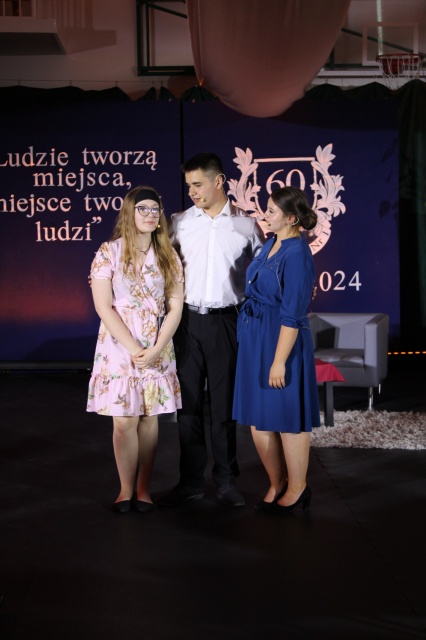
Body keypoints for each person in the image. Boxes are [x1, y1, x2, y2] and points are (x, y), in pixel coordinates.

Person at [158, 153, 264, 508]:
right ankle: (190, 482)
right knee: (187, 407)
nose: (192, 192)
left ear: (219, 182)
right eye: (188, 185)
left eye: (198, 184)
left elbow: (266, 269)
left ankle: (226, 481)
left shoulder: (246, 226)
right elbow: (158, 266)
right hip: (185, 323)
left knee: (223, 408)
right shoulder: (178, 223)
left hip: (226, 323)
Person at [87, 186, 184, 513]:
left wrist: (157, 348)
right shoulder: (108, 252)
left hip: (157, 343)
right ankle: (125, 489)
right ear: (129, 213)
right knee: (124, 421)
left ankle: (143, 489)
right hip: (118, 345)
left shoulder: (168, 254)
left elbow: (175, 307)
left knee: (148, 418)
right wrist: (133, 348)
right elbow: (103, 306)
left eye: (155, 210)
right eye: (143, 208)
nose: (150, 215)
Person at [232, 186, 321, 514]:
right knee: (258, 419)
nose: (264, 214)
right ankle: (277, 482)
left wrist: (279, 361)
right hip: (255, 339)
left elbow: (293, 314)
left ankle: (298, 488)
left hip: (281, 340)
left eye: (271, 211)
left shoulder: (297, 254)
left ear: (292, 218)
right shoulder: (271, 242)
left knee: (287, 417)